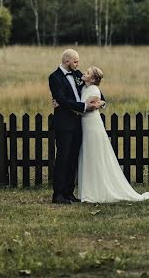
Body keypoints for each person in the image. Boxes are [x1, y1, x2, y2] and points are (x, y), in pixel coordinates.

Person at [76, 66, 149, 203]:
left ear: (93, 78)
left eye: (88, 72)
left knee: (95, 155)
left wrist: (65, 107)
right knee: (88, 154)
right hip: (85, 125)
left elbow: (86, 108)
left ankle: (95, 192)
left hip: (92, 125)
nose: (85, 72)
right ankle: (89, 190)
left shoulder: (94, 90)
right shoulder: (84, 87)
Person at [48, 49, 104, 204]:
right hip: (64, 124)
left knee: (73, 158)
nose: (78, 64)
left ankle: (69, 192)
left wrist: (101, 102)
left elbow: (97, 91)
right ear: (67, 62)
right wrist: (84, 106)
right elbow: (62, 99)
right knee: (63, 158)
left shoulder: (78, 74)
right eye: (75, 61)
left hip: (79, 124)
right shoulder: (55, 78)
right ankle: (58, 194)